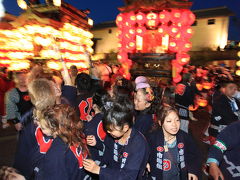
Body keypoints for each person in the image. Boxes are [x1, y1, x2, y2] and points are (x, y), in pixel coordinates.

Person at [83, 99, 149, 180]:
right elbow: (108, 151)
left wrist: (99, 170)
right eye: (107, 129)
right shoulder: (113, 135)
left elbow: (129, 176)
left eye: (112, 129)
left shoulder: (138, 144)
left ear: (125, 127)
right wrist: (97, 144)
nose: (108, 131)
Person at [33, 104, 90, 179]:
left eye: (43, 128)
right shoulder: (74, 133)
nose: (39, 127)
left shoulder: (56, 152)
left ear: (56, 129)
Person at [147, 106, 201, 180]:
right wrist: (145, 162)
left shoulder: (184, 137)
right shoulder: (153, 138)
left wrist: (192, 170)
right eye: (169, 121)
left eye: (177, 120)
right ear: (160, 123)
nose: (174, 125)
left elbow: (194, 155)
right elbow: (142, 152)